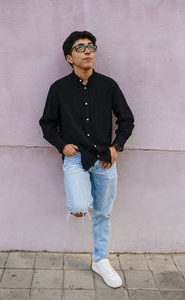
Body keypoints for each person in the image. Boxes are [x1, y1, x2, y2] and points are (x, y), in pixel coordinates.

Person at [39, 31, 135, 288]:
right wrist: (62, 145)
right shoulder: (58, 89)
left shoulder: (108, 85)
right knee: (80, 206)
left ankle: (100, 260)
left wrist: (117, 147)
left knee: (103, 214)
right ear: (69, 57)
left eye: (91, 46)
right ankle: (81, 199)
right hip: (76, 158)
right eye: (80, 48)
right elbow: (47, 124)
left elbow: (127, 120)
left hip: (105, 159)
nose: (88, 51)